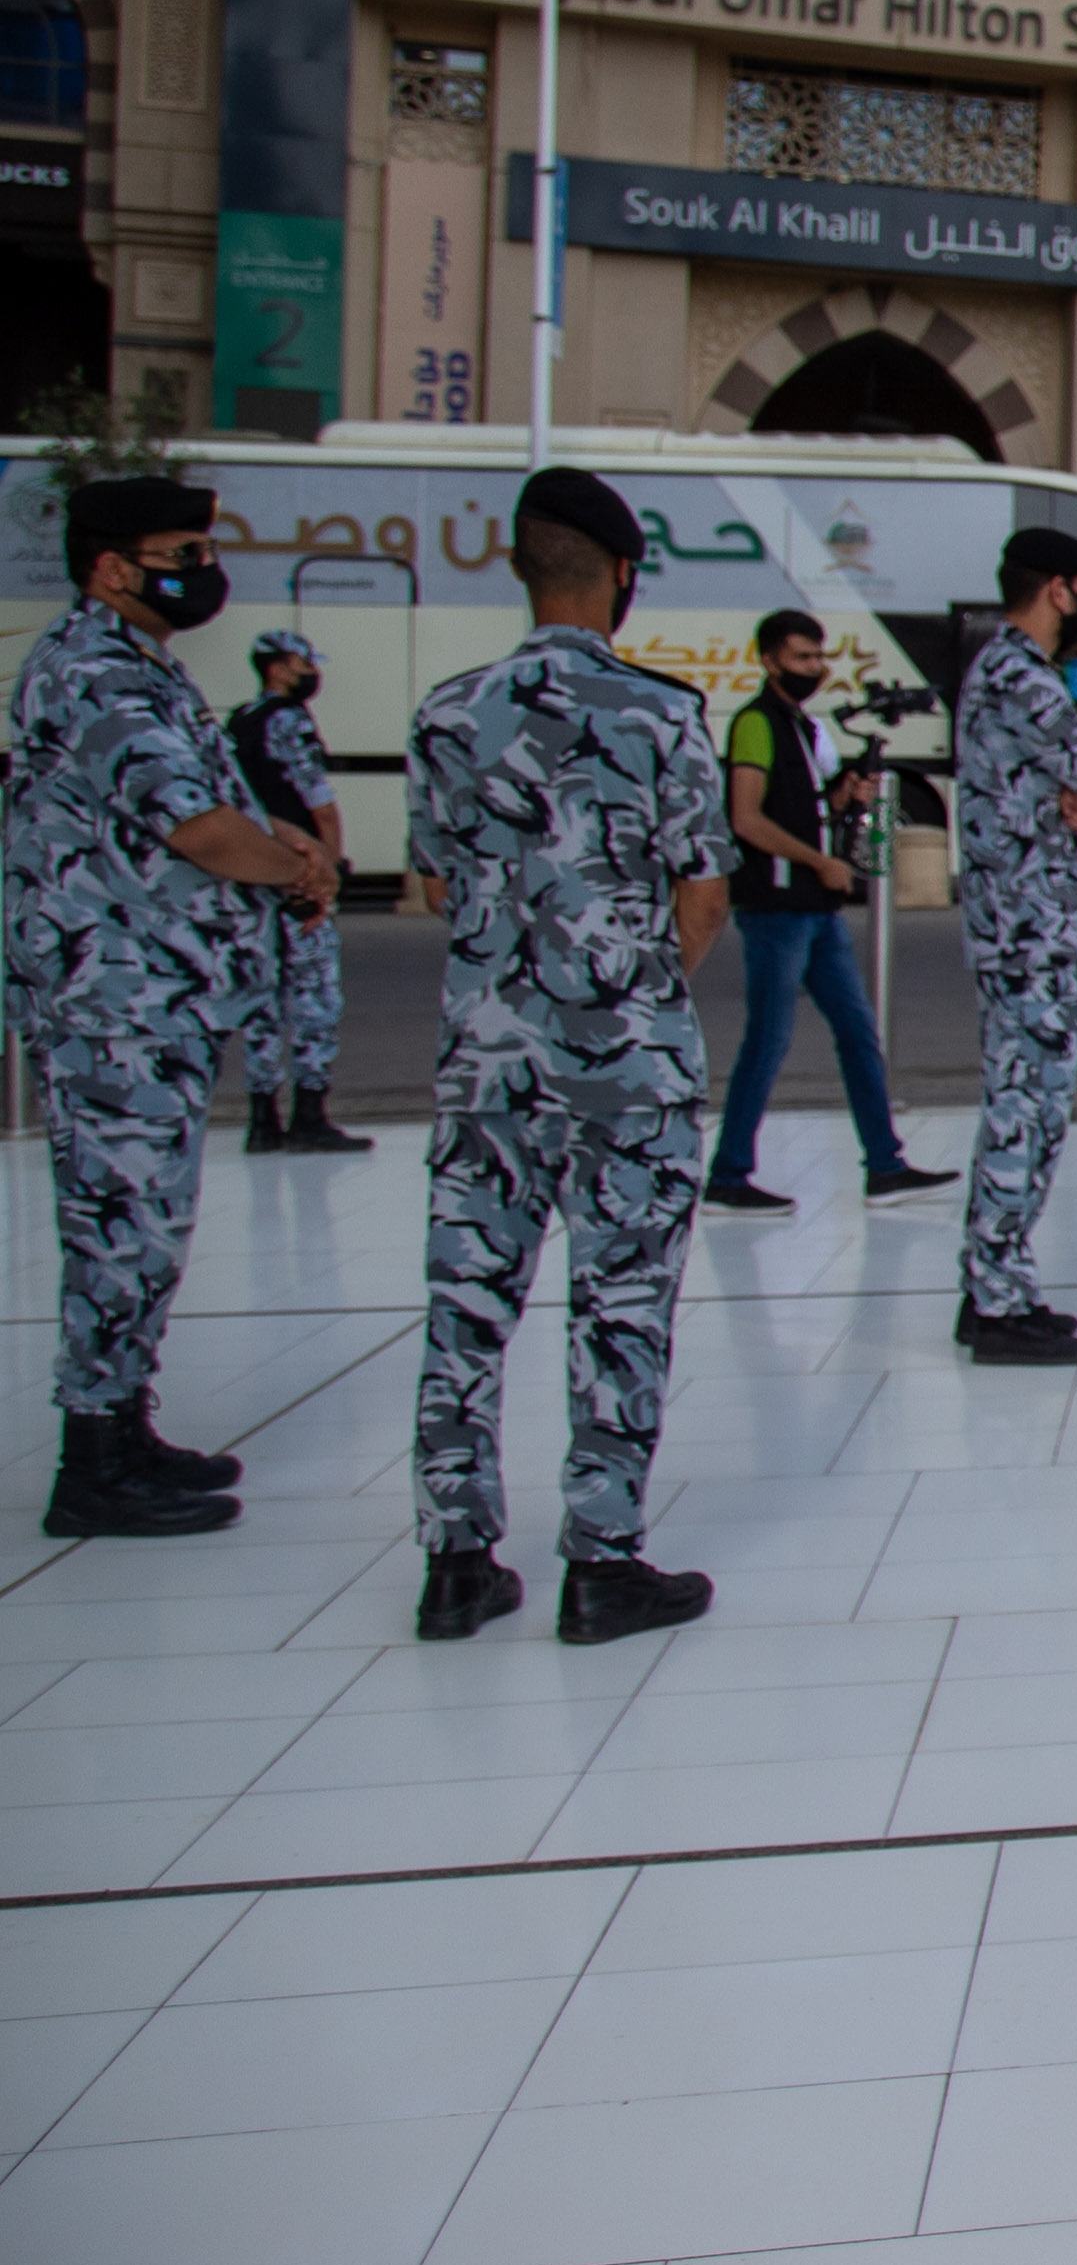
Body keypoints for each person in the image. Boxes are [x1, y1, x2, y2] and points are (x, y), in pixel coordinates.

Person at [402, 467, 734, 1642]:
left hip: (487, 1062)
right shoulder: (660, 715)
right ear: (622, 576)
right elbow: (702, 893)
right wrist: (631, 997)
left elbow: (435, 881)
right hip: (627, 1065)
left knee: (467, 1303)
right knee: (622, 1304)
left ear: (522, 569)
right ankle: (602, 1562)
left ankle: (456, 1560)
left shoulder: (446, 713)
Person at [10, 475, 330, 1538]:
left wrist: (284, 845)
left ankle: (123, 1426)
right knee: (121, 1224)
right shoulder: (92, 671)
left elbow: (213, 808)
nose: (201, 572)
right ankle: (92, 1462)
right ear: (112, 567)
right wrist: (290, 866)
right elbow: (192, 826)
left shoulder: (137, 663)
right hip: (114, 999)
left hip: (152, 994)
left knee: (146, 1224)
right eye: (180, 553)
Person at [704, 610, 954, 1216]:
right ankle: (729, 1174)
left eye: (818, 659)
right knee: (768, 1039)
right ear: (768, 661)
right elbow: (746, 818)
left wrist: (843, 795)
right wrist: (819, 862)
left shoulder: (799, 726)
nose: (813, 670)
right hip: (778, 906)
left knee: (857, 1034)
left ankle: (886, 1165)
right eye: (800, 660)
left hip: (814, 910)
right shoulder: (756, 726)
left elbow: (805, 803)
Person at [953, 528, 1077, 1366]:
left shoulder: (997, 673)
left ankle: (998, 1279)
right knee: (1026, 1113)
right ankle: (996, 1301)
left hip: (1022, 925)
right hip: (1033, 931)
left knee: (1026, 1109)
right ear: (1058, 590)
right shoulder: (1026, 682)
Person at [225, 627, 368, 1156]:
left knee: (262, 998)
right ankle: (309, 1113)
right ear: (278, 667)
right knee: (312, 995)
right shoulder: (289, 720)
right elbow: (320, 803)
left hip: (251, 871)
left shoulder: (240, 719)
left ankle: (262, 1118)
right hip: (298, 870)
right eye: (303, 663)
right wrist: (327, 869)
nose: (311, 674)